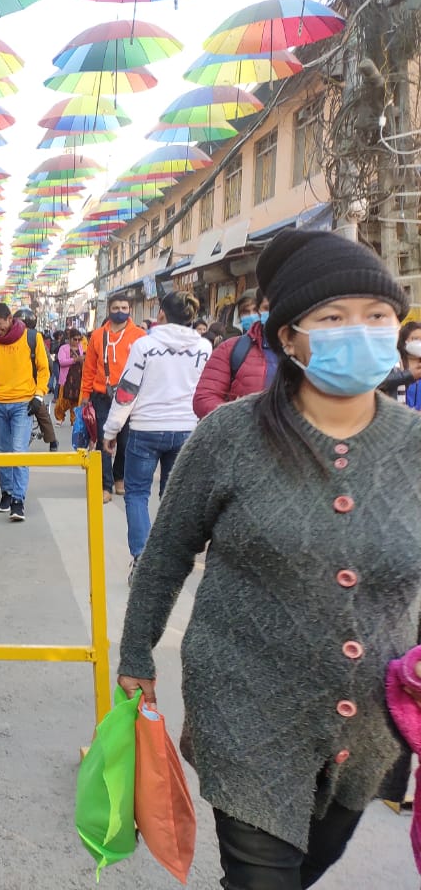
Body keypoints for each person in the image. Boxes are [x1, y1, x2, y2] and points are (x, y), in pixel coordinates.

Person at [118, 229, 421, 890]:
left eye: (377, 315)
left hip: (369, 722)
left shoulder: (415, 443)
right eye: (333, 318)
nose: (361, 331)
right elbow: (166, 553)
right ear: (290, 337)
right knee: (262, 880)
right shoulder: (230, 435)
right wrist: (136, 656)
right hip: (245, 704)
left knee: (308, 865)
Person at [100, 291, 212, 566]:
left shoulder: (144, 345)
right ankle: (169, 556)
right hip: (186, 429)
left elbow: (127, 391)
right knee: (172, 497)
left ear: (161, 313)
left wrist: (111, 430)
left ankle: (141, 557)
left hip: (145, 430)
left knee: (137, 493)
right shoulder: (204, 347)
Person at [0, 303, 50, 523]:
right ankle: (7, 493)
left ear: (9, 319)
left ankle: (18, 500)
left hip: (23, 404)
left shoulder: (32, 338)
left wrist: (39, 396)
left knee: (19, 451)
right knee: (1, 452)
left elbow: (44, 369)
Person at [79, 294, 146, 503]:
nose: (120, 311)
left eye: (124, 307)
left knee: (125, 442)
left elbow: (147, 367)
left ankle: (119, 477)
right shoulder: (98, 335)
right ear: (109, 310)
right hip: (101, 396)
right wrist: (85, 395)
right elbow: (89, 368)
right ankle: (104, 485)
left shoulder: (140, 335)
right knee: (102, 440)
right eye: (116, 307)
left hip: (129, 397)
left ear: (130, 309)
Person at [193, 294, 277, 418]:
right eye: (245, 312)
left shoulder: (302, 348)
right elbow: (204, 398)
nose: (251, 315)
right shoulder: (232, 348)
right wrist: (237, 420)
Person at [14, 308, 58, 450]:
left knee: (40, 410)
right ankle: (52, 441)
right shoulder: (30, 338)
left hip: (30, 385)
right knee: (41, 413)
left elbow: (47, 365)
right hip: (20, 384)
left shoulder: (34, 338)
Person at [53, 329, 85, 425]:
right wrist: (74, 360)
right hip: (67, 379)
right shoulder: (63, 348)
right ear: (70, 339)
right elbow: (61, 362)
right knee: (63, 400)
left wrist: (82, 360)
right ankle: (59, 418)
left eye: (79, 339)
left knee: (76, 400)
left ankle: (74, 420)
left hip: (78, 378)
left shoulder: (80, 347)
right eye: (75, 339)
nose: (77, 341)